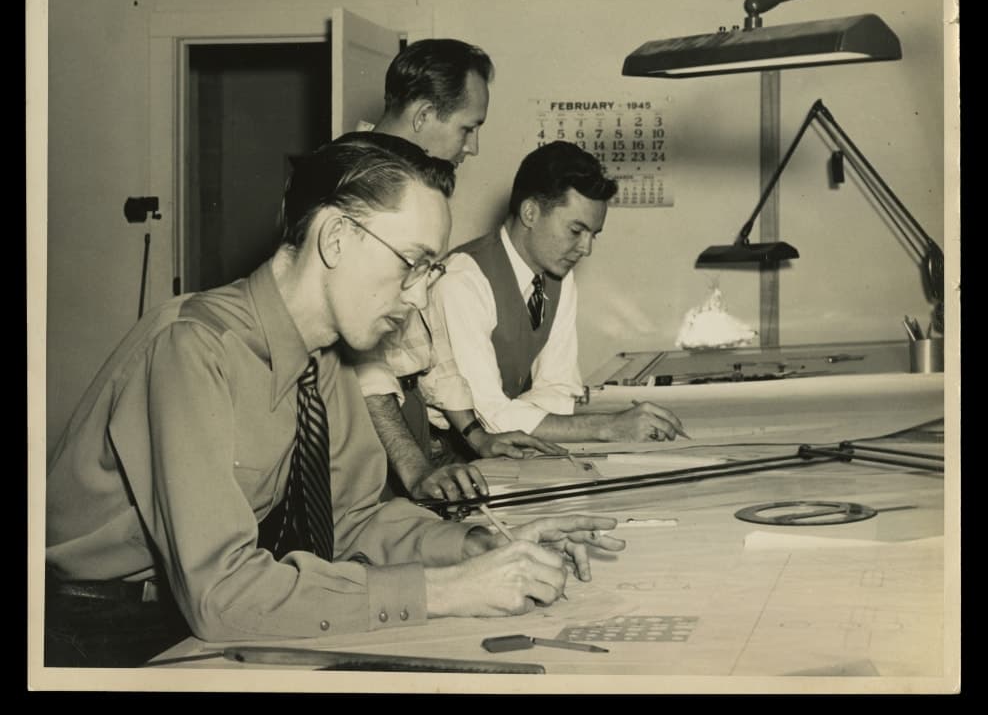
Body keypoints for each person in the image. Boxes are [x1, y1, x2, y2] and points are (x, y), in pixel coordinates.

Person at [44, 133, 625, 668]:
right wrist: (449, 591)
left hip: (204, 611)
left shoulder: (327, 355)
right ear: (336, 238)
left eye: (433, 269)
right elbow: (220, 593)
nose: (421, 294)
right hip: (105, 629)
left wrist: (479, 547)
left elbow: (353, 519)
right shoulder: (192, 347)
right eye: (413, 264)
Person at [353, 38, 564, 502]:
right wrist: (413, 467)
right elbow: (360, 359)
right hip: (364, 423)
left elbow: (426, 332)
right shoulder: (352, 183)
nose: (473, 147)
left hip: (406, 414)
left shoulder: (416, 182)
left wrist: (475, 434)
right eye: (468, 128)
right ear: (424, 115)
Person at [421, 140, 688, 443]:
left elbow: (560, 388)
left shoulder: (556, 278)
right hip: (444, 455)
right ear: (531, 213)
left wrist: (518, 415)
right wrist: (606, 427)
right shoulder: (462, 282)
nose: (585, 249)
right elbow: (488, 417)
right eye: (576, 231)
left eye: (593, 235)